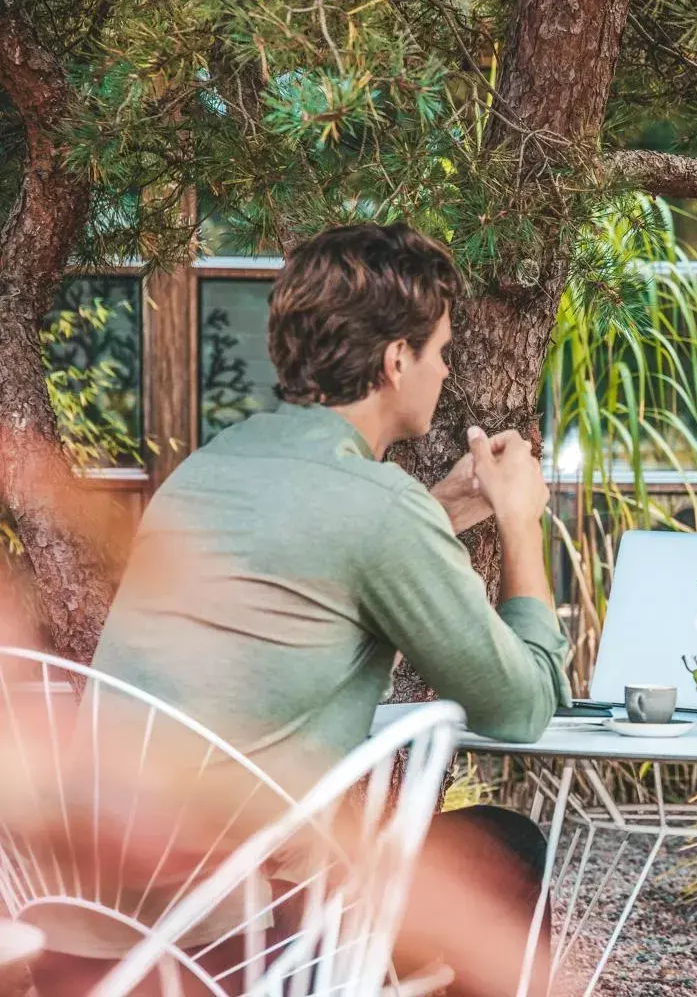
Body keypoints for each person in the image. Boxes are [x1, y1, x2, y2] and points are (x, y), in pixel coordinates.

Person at [30, 223, 566, 997]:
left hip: (85, 915)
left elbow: (312, 574)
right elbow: (521, 708)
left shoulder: (208, 470)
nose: (445, 371)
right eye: (440, 351)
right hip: (229, 933)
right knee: (503, 846)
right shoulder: (375, 508)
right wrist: (519, 520)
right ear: (395, 361)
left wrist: (435, 514)